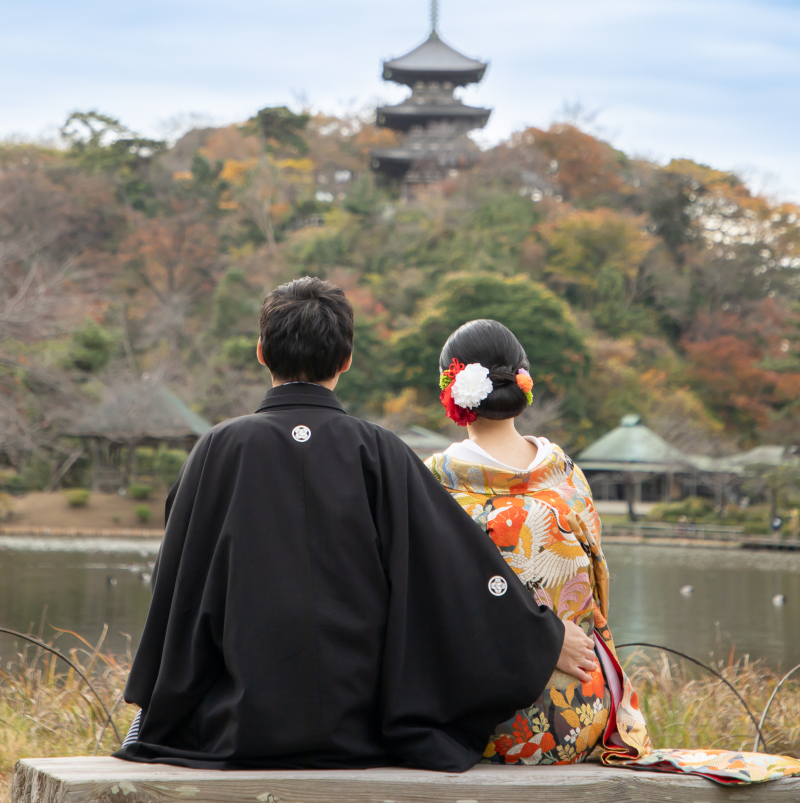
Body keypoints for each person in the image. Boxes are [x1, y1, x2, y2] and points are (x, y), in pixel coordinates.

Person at [114, 277, 579, 772]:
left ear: (261, 353)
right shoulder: (379, 451)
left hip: (234, 727)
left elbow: (177, 585)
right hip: (360, 728)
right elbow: (455, 567)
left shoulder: (217, 450)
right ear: (347, 359)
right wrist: (540, 636)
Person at [425, 318, 800, 786]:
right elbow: (597, 596)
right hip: (582, 713)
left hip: (479, 726)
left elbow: (432, 614)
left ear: (450, 390)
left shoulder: (433, 484)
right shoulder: (567, 478)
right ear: (522, 380)